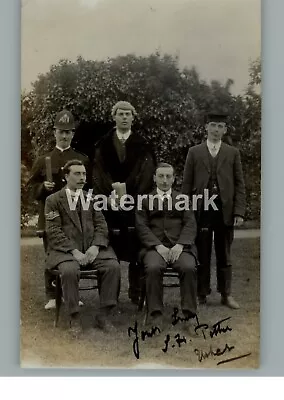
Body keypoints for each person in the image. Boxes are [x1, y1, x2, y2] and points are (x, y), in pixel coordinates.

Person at [44, 160, 121, 337]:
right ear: (66, 177)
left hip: (92, 249)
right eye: (77, 174)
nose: (82, 178)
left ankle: (104, 315)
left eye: (84, 174)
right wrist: (74, 251)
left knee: (112, 266)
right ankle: (74, 318)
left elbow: (101, 225)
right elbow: (53, 231)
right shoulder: (53, 200)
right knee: (69, 270)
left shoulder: (91, 198)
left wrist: (95, 247)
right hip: (65, 252)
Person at [92, 101, 156, 304]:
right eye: (121, 113)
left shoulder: (143, 145)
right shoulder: (103, 145)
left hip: (135, 206)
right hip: (109, 206)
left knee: (137, 249)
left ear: (133, 117)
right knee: (110, 250)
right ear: (114, 116)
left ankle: (136, 293)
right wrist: (111, 196)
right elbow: (98, 174)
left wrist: (129, 196)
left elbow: (146, 175)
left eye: (128, 113)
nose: (124, 117)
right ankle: (110, 295)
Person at [182, 112, 246, 309]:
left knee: (224, 253)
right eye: (213, 126)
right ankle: (201, 294)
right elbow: (186, 184)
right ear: (206, 128)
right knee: (201, 253)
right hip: (202, 209)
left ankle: (226, 294)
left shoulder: (232, 152)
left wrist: (238, 212)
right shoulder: (194, 152)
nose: (216, 130)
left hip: (224, 210)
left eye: (220, 126)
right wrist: (186, 211)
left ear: (225, 130)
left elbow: (239, 184)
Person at [28, 110, 89, 310]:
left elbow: (86, 188)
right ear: (54, 132)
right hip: (51, 216)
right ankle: (52, 295)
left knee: (75, 253)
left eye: (68, 132)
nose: (64, 136)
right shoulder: (43, 159)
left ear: (73, 134)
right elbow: (30, 188)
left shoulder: (81, 159)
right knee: (51, 254)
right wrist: (41, 188)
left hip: (74, 217)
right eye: (61, 132)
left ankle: (73, 293)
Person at [135, 163, 197, 330]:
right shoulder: (144, 200)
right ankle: (155, 314)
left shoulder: (183, 199)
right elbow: (142, 227)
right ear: (154, 178)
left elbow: (190, 224)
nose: (164, 180)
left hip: (180, 247)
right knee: (153, 267)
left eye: (168, 176)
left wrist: (180, 245)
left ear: (174, 179)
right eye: (161, 176)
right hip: (154, 248)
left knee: (189, 267)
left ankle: (190, 315)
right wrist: (157, 246)